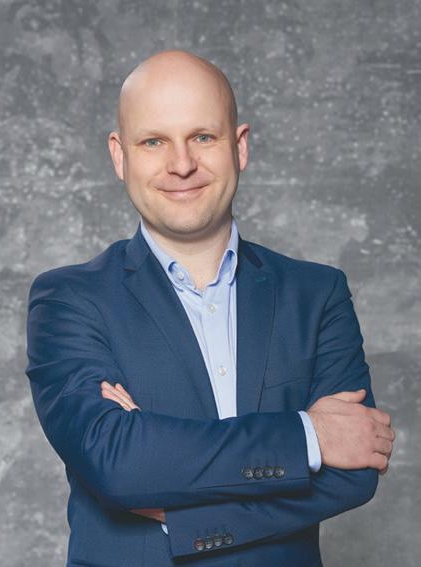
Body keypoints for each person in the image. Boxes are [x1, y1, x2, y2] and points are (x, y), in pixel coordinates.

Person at [25, 49, 394, 567]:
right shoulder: (69, 299)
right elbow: (117, 461)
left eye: (202, 137)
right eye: (154, 141)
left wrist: (179, 504)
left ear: (239, 147)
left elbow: (354, 469)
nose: (181, 165)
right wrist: (308, 435)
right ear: (120, 156)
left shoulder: (317, 293)